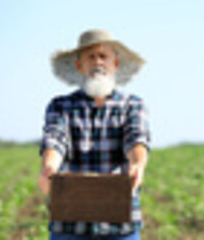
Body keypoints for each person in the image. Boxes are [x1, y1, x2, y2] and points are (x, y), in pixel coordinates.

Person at [39, 29, 151, 240]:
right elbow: (55, 139)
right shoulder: (60, 105)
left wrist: (138, 164)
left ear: (115, 64)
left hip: (119, 225)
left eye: (103, 56)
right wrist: (49, 167)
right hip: (70, 224)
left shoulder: (132, 105)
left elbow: (136, 138)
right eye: (90, 56)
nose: (98, 62)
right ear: (79, 65)